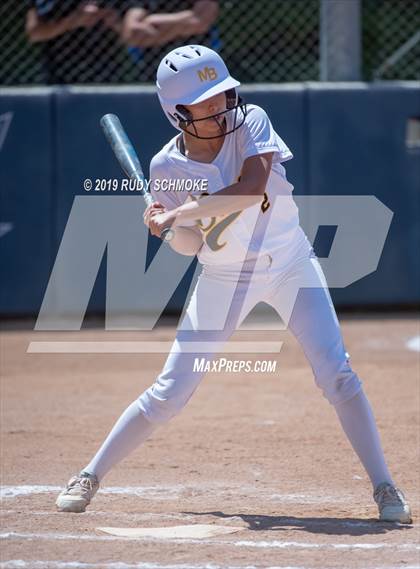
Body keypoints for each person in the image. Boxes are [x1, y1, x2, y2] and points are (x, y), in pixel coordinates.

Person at [55, 45, 412, 524]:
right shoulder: (166, 170)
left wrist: (181, 211)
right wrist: (165, 226)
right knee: (169, 393)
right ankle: (89, 474)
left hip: (290, 263)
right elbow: (188, 246)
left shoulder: (252, 122)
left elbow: (252, 188)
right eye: (205, 102)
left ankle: (384, 485)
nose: (221, 105)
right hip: (225, 278)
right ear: (177, 114)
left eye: (223, 94)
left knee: (337, 373)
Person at [26, 1, 134, 84]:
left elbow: (134, 36)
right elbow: (34, 32)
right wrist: (74, 20)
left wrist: (116, 23)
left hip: (108, 76)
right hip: (62, 79)